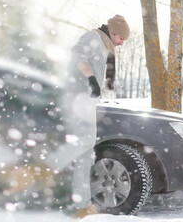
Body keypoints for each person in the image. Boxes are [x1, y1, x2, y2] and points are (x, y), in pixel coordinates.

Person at [48, 14, 129, 218]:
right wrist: (91, 78)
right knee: (84, 141)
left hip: (86, 100)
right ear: (113, 32)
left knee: (86, 155)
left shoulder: (105, 45)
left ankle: (81, 206)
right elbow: (76, 55)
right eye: (121, 38)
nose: (122, 43)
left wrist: (104, 83)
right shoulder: (93, 38)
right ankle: (45, 168)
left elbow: (103, 67)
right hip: (77, 97)